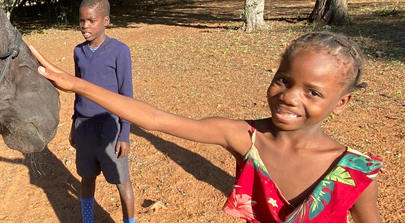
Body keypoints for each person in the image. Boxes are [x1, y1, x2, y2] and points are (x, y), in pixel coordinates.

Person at [30, 31, 383, 223]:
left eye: (313, 92)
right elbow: (155, 119)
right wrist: (77, 85)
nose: (289, 97)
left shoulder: (354, 172)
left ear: (342, 103)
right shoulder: (245, 138)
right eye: (283, 79)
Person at [70, 0, 136, 223]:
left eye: (91, 20)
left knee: (121, 181)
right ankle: (87, 220)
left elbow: (126, 95)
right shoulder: (78, 51)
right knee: (87, 177)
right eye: (81, 21)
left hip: (110, 128)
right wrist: (73, 124)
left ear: (105, 21)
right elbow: (78, 90)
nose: (85, 26)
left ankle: (130, 221)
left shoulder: (120, 51)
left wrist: (124, 133)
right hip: (84, 127)